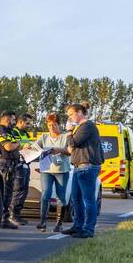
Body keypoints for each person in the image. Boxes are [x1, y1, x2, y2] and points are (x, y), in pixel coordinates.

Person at [63, 102, 103, 238]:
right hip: (79, 166)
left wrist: (69, 131)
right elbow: (71, 148)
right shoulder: (81, 127)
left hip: (87, 166)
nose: (69, 119)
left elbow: (73, 143)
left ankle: (88, 229)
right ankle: (78, 226)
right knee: (76, 198)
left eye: (70, 115)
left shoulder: (87, 126)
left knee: (88, 199)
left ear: (79, 112)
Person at [33, 113, 71, 231]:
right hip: (47, 170)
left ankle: (59, 224)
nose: (51, 128)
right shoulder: (44, 137)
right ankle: (43, 222)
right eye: (49, 125)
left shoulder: (66, 137)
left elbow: (70, 151)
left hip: (61, 170)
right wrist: (27, 147)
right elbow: (35, 147)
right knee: (45, 195)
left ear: (59, 125)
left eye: (54, 125)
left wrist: (58, 150)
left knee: (61, 197)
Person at [0, 110, 23, 228]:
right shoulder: (1, 130)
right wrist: (18, 143)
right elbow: (8, 146)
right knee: (5, 193)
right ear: (7, 119)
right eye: (13, 119)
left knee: (8, 193)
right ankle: (2, 219)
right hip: (4, 165)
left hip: (9, 164)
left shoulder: (7, 131)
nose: (14, 122)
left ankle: (4, 218)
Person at [11, 114, 36, 223]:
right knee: (18, 190)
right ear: (20, 122)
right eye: (27, 123)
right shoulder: (14, 132)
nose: (29, 125)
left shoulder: (25, 134)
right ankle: (13, 215)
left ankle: (18, 214)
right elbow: (13, 146)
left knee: (24, 191)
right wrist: (23, 145)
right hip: (18, 165)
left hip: (26, 164)